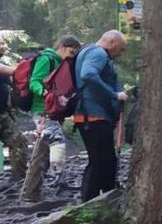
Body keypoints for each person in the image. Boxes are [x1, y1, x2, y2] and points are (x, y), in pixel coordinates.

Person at [73, 30, 129, 201]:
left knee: (106, 161)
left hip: (91, 116)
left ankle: (106, 199)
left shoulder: (88, 52)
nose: (121, 53)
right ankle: (89, 204)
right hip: (93, 116)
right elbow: (88, 75)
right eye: (121, 48)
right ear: (112, 43)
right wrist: (114, 94)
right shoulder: (98, 53)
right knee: (99, 162)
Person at [29, 34, 82, 181]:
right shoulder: (47, 59)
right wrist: (45, 93)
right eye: (71, 51)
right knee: (56, 140)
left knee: (42, 152)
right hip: (42, 110)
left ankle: (33, 192)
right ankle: (58, 178)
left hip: (55, 111)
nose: (72, 55)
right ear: (62, 47)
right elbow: (34, 81)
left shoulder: (61, 63)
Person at [0, 41, 29, 181]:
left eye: (3, 44)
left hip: (3, 114)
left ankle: (18, 179)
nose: (3, 47)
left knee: (18, 141)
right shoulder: (3, 67)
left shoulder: (3, 64)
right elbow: (15, 72)